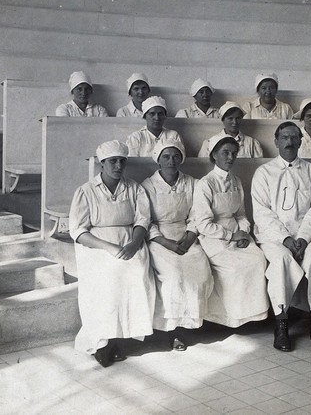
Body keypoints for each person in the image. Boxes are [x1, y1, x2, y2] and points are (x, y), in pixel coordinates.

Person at [251, 122, 311, 352]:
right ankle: (281, 325)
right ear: (276, 141)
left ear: (301, 141)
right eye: (285, 137)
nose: (289, 142)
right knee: (281, 261)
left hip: (307, 235)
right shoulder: (263, 173)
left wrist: (302, 238)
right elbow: (262, 213)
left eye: (293, 137)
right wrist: (286, 239)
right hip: (274, 237)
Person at [68, 140, 154, 367]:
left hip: (129, 241)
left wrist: (135, 243)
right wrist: (109, 247)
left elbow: (142, 219)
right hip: (97, 246)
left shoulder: (134, 188)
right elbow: (78, 231)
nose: (118, 165)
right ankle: (101, 342)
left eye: (121, 161)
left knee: (136, 271)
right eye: (112, 161)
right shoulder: (85, 191)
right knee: (107, 279)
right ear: (101, 164)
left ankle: (120, 337)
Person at [142, 140, 213, 351]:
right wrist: (165, 242)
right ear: (158, 160)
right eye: (166, 157)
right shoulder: (148, 186)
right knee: (173, 277)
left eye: (175, 157)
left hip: (186, 236)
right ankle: (172, 332)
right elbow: (145, 220)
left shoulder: (192, 182)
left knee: (200, 270)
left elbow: (198, 214)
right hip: (159, 240)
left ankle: (192, 324)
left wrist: (190, 236)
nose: (171, 161)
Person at [192, 137, 270, 327]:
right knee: (234, 268)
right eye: (225, 152)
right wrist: (231, 236)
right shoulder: (205, 184)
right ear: (214, 155)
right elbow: (202, 224)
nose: (230, 157)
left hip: (237, 233)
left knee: (258, 259)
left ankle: (252, 317)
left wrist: (243, 233)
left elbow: (242, 214)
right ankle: (229, 318)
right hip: (214, 237)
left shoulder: (236, 181)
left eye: (234, 153)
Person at [198, 101, 263, 158]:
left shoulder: (252, 143)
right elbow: (204, 166)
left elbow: (258, 166)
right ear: (223, 120)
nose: (234, 122)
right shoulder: (210, 143)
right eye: (230, 118)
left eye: (237, 118)